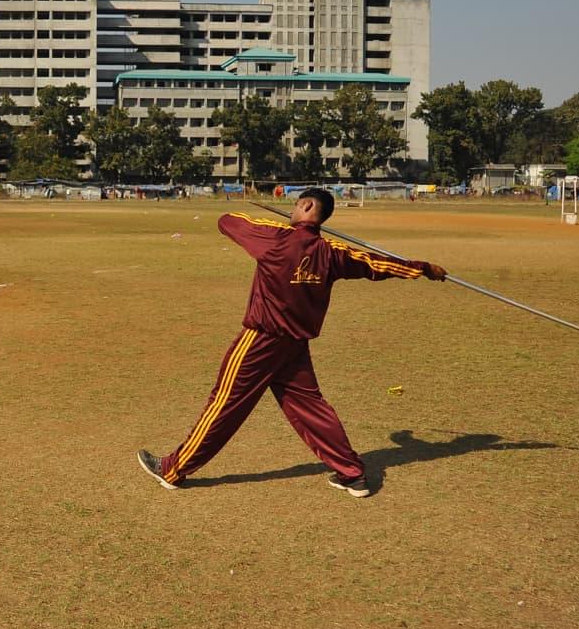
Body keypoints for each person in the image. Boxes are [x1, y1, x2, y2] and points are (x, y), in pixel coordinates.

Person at [136, 188, 447, 498]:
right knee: (311, 408)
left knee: (224, 404)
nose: (293, 209)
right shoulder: (332, 252)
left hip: (260, 341)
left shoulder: (275, 238)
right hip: (295, 344)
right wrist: (421, 268)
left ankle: (173, 469)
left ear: (307, 206)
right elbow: (374, 264)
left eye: (296, 205)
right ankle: (352, 474)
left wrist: (278, 228)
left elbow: (227, 220)